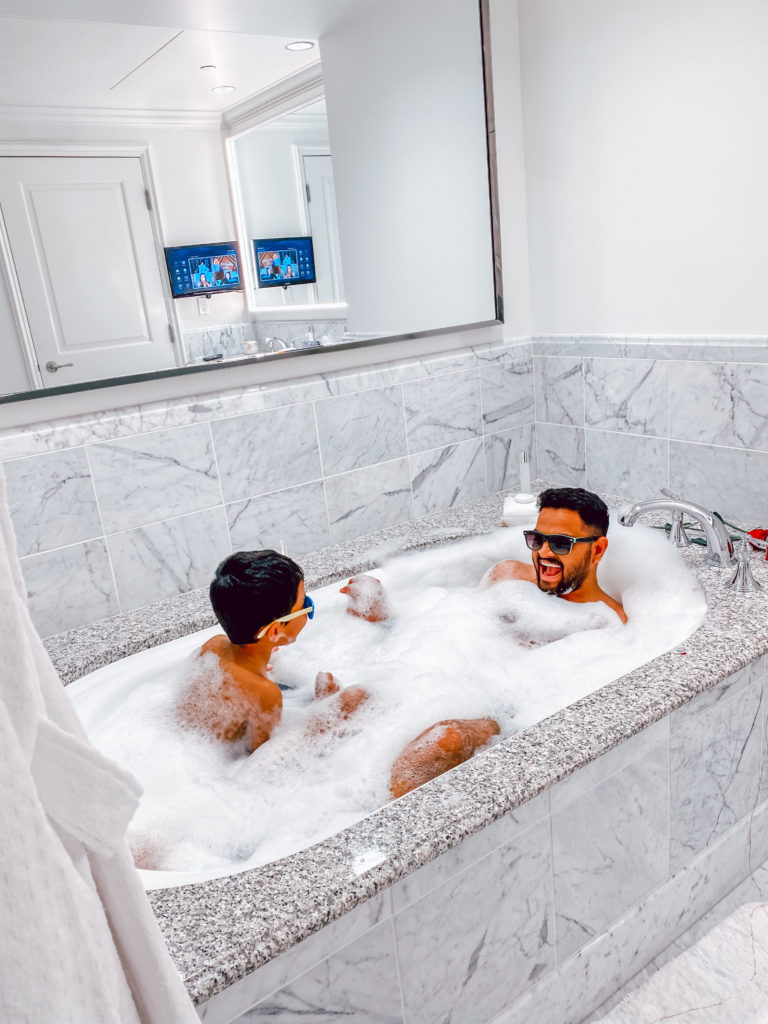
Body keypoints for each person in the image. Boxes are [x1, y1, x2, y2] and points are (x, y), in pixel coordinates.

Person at [178, 550, 498, 797]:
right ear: (275, 631)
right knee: (358, 699)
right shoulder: (265, 694)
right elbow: (264, 761)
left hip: (191, 754)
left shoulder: (214, 645)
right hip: (231, 781)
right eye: (307, 606)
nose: (310, 609)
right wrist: (322, 716)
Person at [484, 486, 627, 623]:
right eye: (537, 539)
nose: (542, 552)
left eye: (560, 543)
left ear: (597, 551)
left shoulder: (612, 626)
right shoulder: (508, 577)